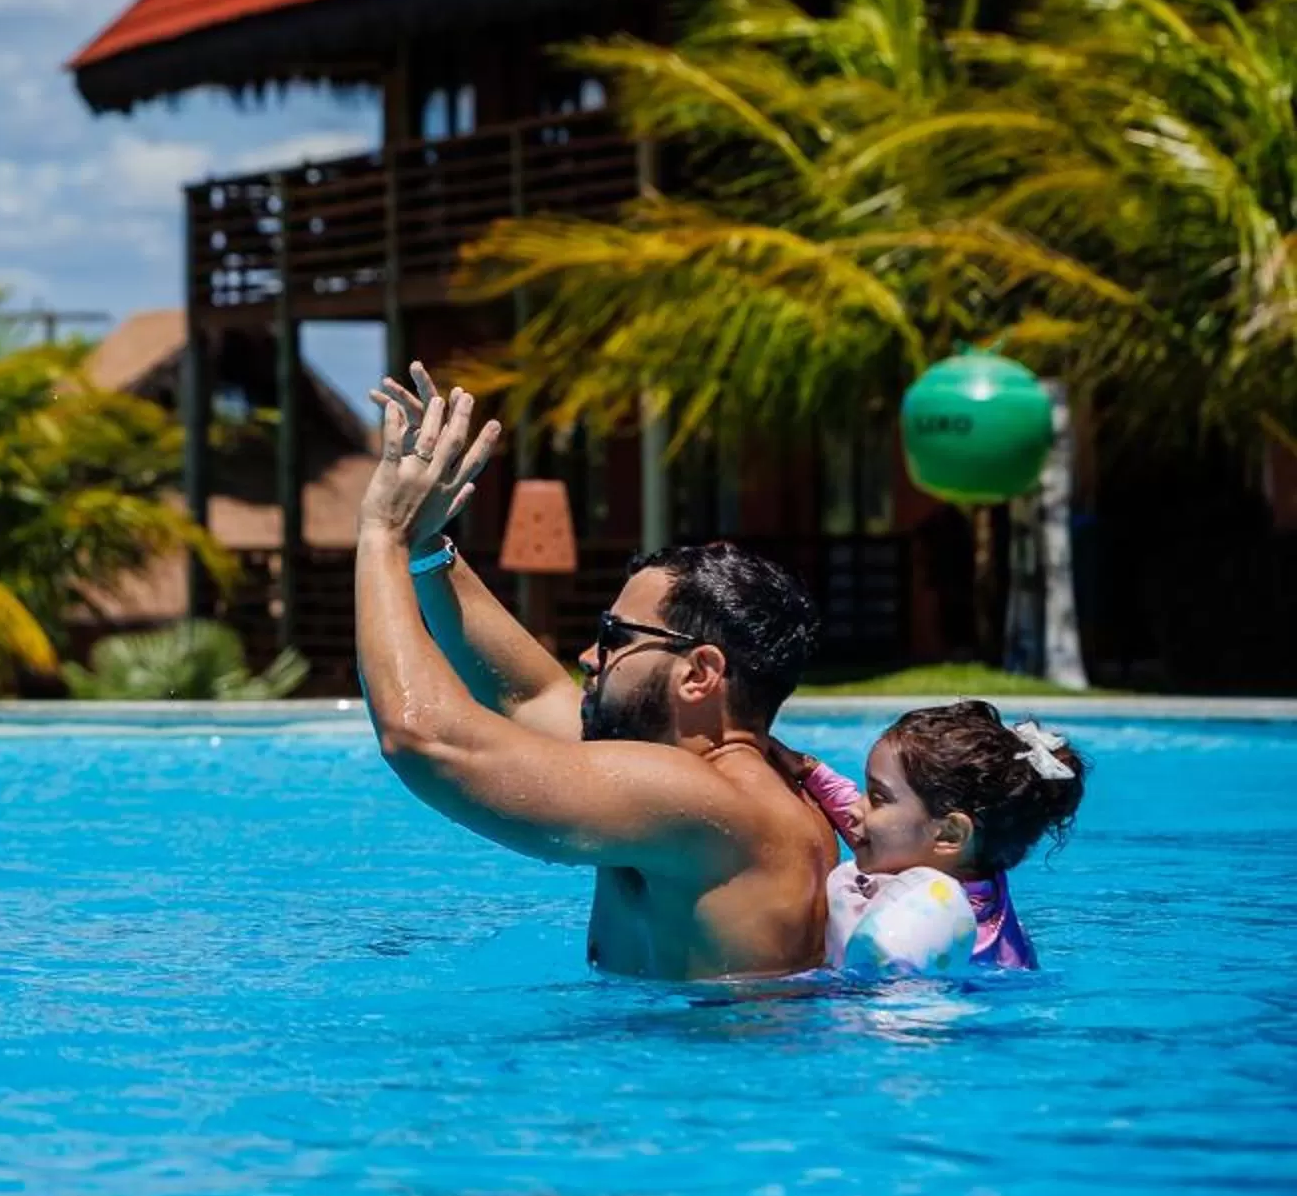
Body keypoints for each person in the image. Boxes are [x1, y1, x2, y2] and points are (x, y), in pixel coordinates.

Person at [354, 367, 834, 980]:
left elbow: (423, 738)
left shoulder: (706, 802)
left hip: (690, 1047)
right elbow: (529, 693)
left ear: (699, 674)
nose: (588, 655)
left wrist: (383, 534)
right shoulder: (713, 777)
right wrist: (425, 546)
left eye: (616, 638)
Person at [819, 700, 1086, 973]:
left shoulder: (928, 933)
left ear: (950, 834)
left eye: (878, 798)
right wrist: (816, 775)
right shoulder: (973, 867)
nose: (854, 809)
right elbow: (891, 833)